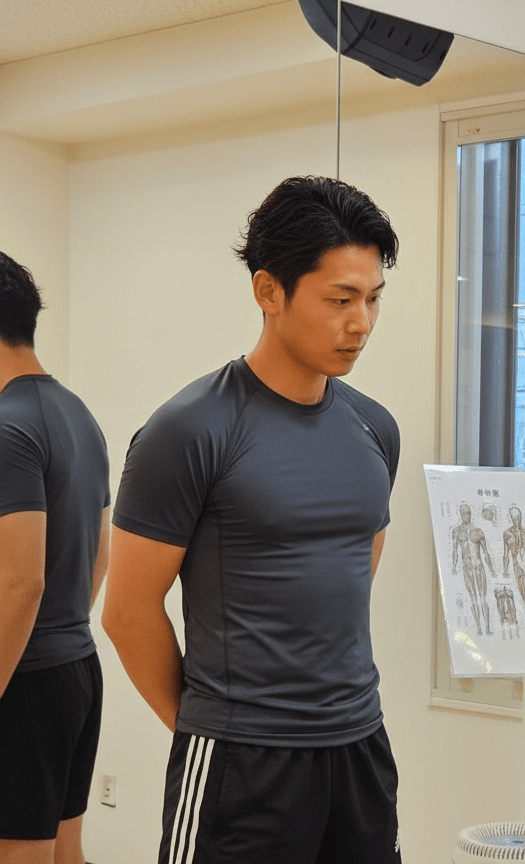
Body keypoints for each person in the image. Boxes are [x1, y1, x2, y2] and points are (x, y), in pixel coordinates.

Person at [101, 176, 403, 864]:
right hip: (242, 763)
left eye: (373, 299)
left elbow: (354, 571)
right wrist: (213, 730)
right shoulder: (190, 429)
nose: (361, 323)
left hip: (360, 746)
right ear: (269, 291)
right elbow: (127, 612)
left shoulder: (374, 428)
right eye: (340, 300)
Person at [0, 251, 110, 864]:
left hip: (24, 681)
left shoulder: (7, 427)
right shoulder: (77, 414)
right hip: (75, 670)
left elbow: (22, 582)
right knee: (65, 853)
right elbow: (99, 557)